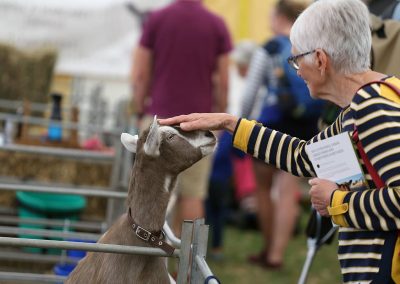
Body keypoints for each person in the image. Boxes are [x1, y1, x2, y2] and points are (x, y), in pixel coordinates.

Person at [159, 0, 400, 282]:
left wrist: (337, 202)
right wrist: (231, 124)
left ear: (321, 60)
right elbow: (304, 157)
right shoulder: (370, 100)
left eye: (297, 59)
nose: (296, 70)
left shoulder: (371, 110)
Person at [131, 0, 232, 235]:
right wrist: (218, 120)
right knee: (192, 195)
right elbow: (224, 83)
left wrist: (139, 109)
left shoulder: (157, 19)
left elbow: (141, 74)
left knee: (149, 194)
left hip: (158, 121)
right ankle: (187, 270)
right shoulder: (217, 25)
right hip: (198, 125)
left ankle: (143, 262)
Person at [241, 0, 320, 269]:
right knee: (289, 193)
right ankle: (277, 255)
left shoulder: (270, 48)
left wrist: (239, 124)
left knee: (263, 189)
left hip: (272, 123)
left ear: (278, 16)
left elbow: (250, 91)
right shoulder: (309, 46)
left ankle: (267, 248)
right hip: (305, 126)